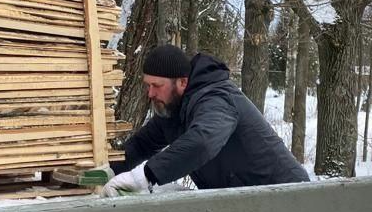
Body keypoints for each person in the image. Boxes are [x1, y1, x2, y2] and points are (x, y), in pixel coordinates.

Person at [103, 45, 308, 196]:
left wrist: (146, 176)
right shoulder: (175, 108)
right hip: (247, 202)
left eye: (157, 85)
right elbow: (142, 144)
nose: (150, 93)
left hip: (290, 198)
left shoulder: (217, 99)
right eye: (147, 85)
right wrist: (109, 170)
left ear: (182, 82)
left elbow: (202, 141)